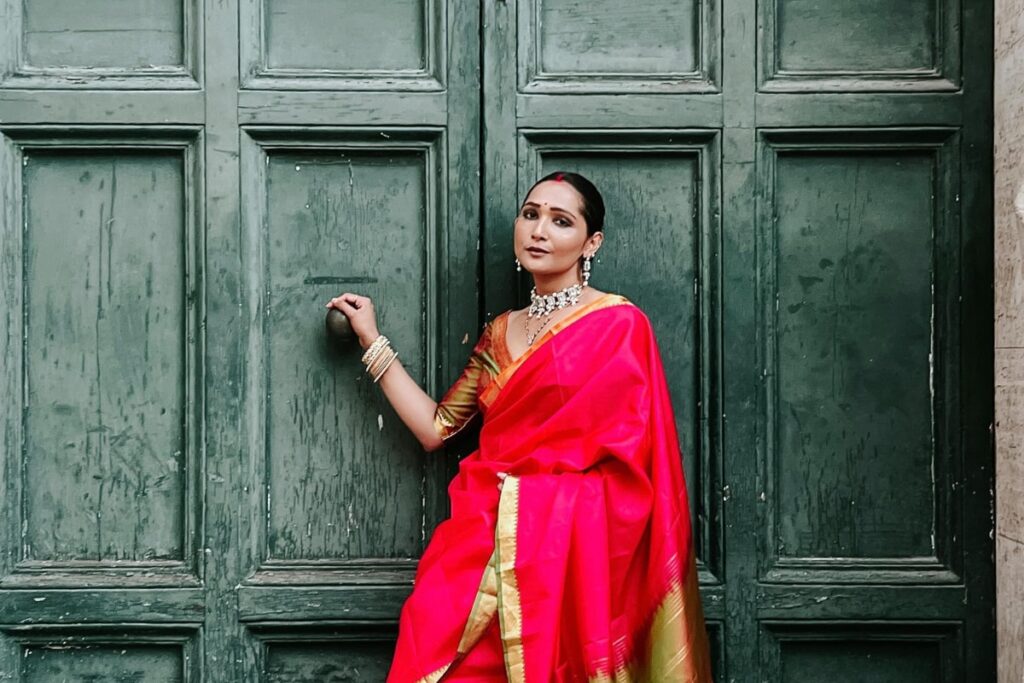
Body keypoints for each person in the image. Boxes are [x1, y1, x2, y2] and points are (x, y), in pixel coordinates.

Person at [326, 171, 712, 682]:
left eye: (561, 221)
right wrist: (372, 339)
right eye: (531, 214)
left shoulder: (618, 326)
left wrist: (542, 505)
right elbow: (437, 427)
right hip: (477, 542)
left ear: (590, 242)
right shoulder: (500, 333)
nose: (540, 230)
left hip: (565, 557)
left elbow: (639, 471)